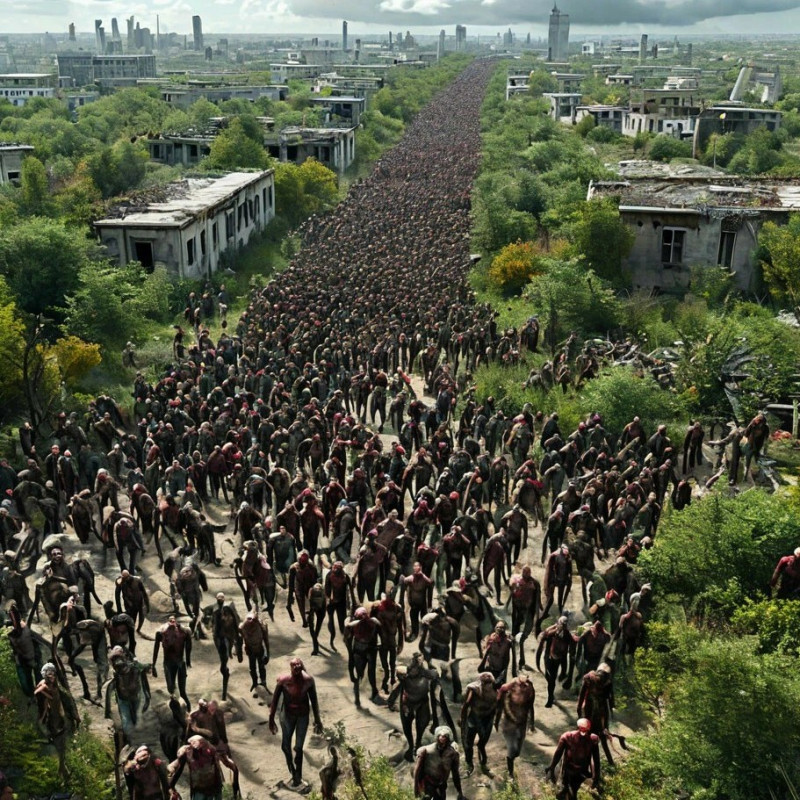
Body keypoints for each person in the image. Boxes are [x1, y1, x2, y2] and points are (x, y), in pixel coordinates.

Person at [269, 658, 324, 787]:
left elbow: (314, 701)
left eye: (298, 665)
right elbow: (274, 701)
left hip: (302, 716)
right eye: (294, 665)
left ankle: (297, 777)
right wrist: (271, 719)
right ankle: (293, 772)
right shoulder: (283, 681)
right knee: (286, 745)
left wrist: (318, 720)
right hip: (287, 716)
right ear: (290, 667)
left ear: (302, 667)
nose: (296, 667)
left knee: (298, 748)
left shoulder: (308, 681)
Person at [387, 651, 440, 762]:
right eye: (415, 662)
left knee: (422, 724)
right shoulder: (404, 674)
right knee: (407, 726)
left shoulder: (426, 673)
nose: (417, 665)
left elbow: (435, 674)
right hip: (407, 703)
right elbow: (398, 683)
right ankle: (411, 746)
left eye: (419, 662)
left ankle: (417, 743)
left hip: (422, 702)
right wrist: (391, 700)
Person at [546, 718, 601, 800]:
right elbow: (558, 753)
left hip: (581, 772)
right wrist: (552, 767)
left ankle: (567, 794)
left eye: (586, 730)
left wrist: (596, 777)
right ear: (578, 728)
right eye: (582, 729)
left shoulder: (593, 740)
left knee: (573, 790)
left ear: (589, 729)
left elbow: (596, 759)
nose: (583, 732)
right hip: (568, 770)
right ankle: (564, 793)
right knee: (567, 790)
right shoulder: (567, 737)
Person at [494, 672, 535, 777]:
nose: (523, 687)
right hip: (509, 724)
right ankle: (510, 772)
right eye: (521, 685)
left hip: (522, 723)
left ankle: (512, 757)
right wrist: (497, 721)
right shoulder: (509, 691)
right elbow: (502, 707)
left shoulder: (529, 690)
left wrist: (532, 723)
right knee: (512, 749)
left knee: (517, 751)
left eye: (524, 685)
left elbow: (531, 707)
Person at [460, 671, 498, 776]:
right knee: (468, 744)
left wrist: (495, 720)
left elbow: (497, 706)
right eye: (485, 676)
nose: (487, 676)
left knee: (482, 743)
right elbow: (466, 704)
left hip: (487, 720)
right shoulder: (474, 689)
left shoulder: (496, 689)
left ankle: (483, 763)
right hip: (474, 719)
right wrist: (462, 718)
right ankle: (469, 764)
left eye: (489, 675)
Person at [413, 726, 466, 800]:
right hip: (428, 783)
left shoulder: (452, 754)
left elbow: (455, 774)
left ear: (448, 738)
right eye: (440, 736)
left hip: (441, 784)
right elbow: (417, 770)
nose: (442, 738)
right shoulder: (426, 750)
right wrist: (416, 788)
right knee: (427, 797)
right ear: (437, 737)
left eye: (444, 736)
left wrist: (459, 792)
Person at [536, 616, 577, 708]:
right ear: (558, 624)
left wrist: (566, 672)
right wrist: (538, 662)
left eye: (564, 625)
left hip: (560, 658)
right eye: (561, 624)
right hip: (549, 657)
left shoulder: (567, 636)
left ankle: (550, 698)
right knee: (549, 677)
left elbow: (572, 650)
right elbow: (541, 645)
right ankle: (551, 695)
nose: (562, 626)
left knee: (553, 678)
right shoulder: (550, 634)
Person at [152, 614, 192, 708]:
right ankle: (178, 708)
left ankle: (187, 709)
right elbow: (156, 648)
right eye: (170, 621)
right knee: (171, 688)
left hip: (179, 662)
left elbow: (188, 646)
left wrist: (188, 660)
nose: (172, 622)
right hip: (169, 663)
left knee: (182, 692)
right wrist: (153, 665)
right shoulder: (161, 633)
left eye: (174, 620)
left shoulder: (183, 633)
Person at [240, 609, 270, 691]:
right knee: (252, 668)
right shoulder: (243, 627)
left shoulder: (262, 627)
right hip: (250, 649)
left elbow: (266, 641)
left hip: (259, 648)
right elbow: (240, 639)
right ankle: (254, 682)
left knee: (261, 666)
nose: (251, 631)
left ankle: (263, 682)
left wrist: (268, 654)